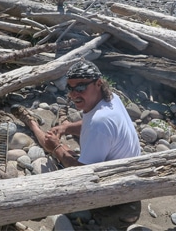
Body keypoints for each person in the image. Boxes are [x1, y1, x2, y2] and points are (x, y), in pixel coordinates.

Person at [12, 59, 142, 227]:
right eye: (70, 88)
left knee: (55, 150)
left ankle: (30, 122)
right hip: (130, 181)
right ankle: (34, 124)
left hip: (117, 202)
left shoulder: (100, 122)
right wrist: (66, 128)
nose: (73, 94)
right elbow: (89, 126)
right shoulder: (111, 99)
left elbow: (83, 173)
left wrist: (57, 148)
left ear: (98, 83)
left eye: (80, 87)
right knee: (62, 147)